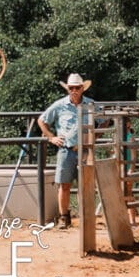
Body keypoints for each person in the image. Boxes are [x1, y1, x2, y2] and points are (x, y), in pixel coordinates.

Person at [37, 73, 95, 229]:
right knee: (64, 184)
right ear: (68, 89)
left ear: (83, 88)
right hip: (66, 149)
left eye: (77, 87)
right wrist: (51, 137)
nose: (74, 90)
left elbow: (104, 120)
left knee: (86, 184)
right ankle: (64, 217)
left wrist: (94, 136)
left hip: (85, 150)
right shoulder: (59, 105)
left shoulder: (91, 104)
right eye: (71, 88)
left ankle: (85, 217)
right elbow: (42, 120)